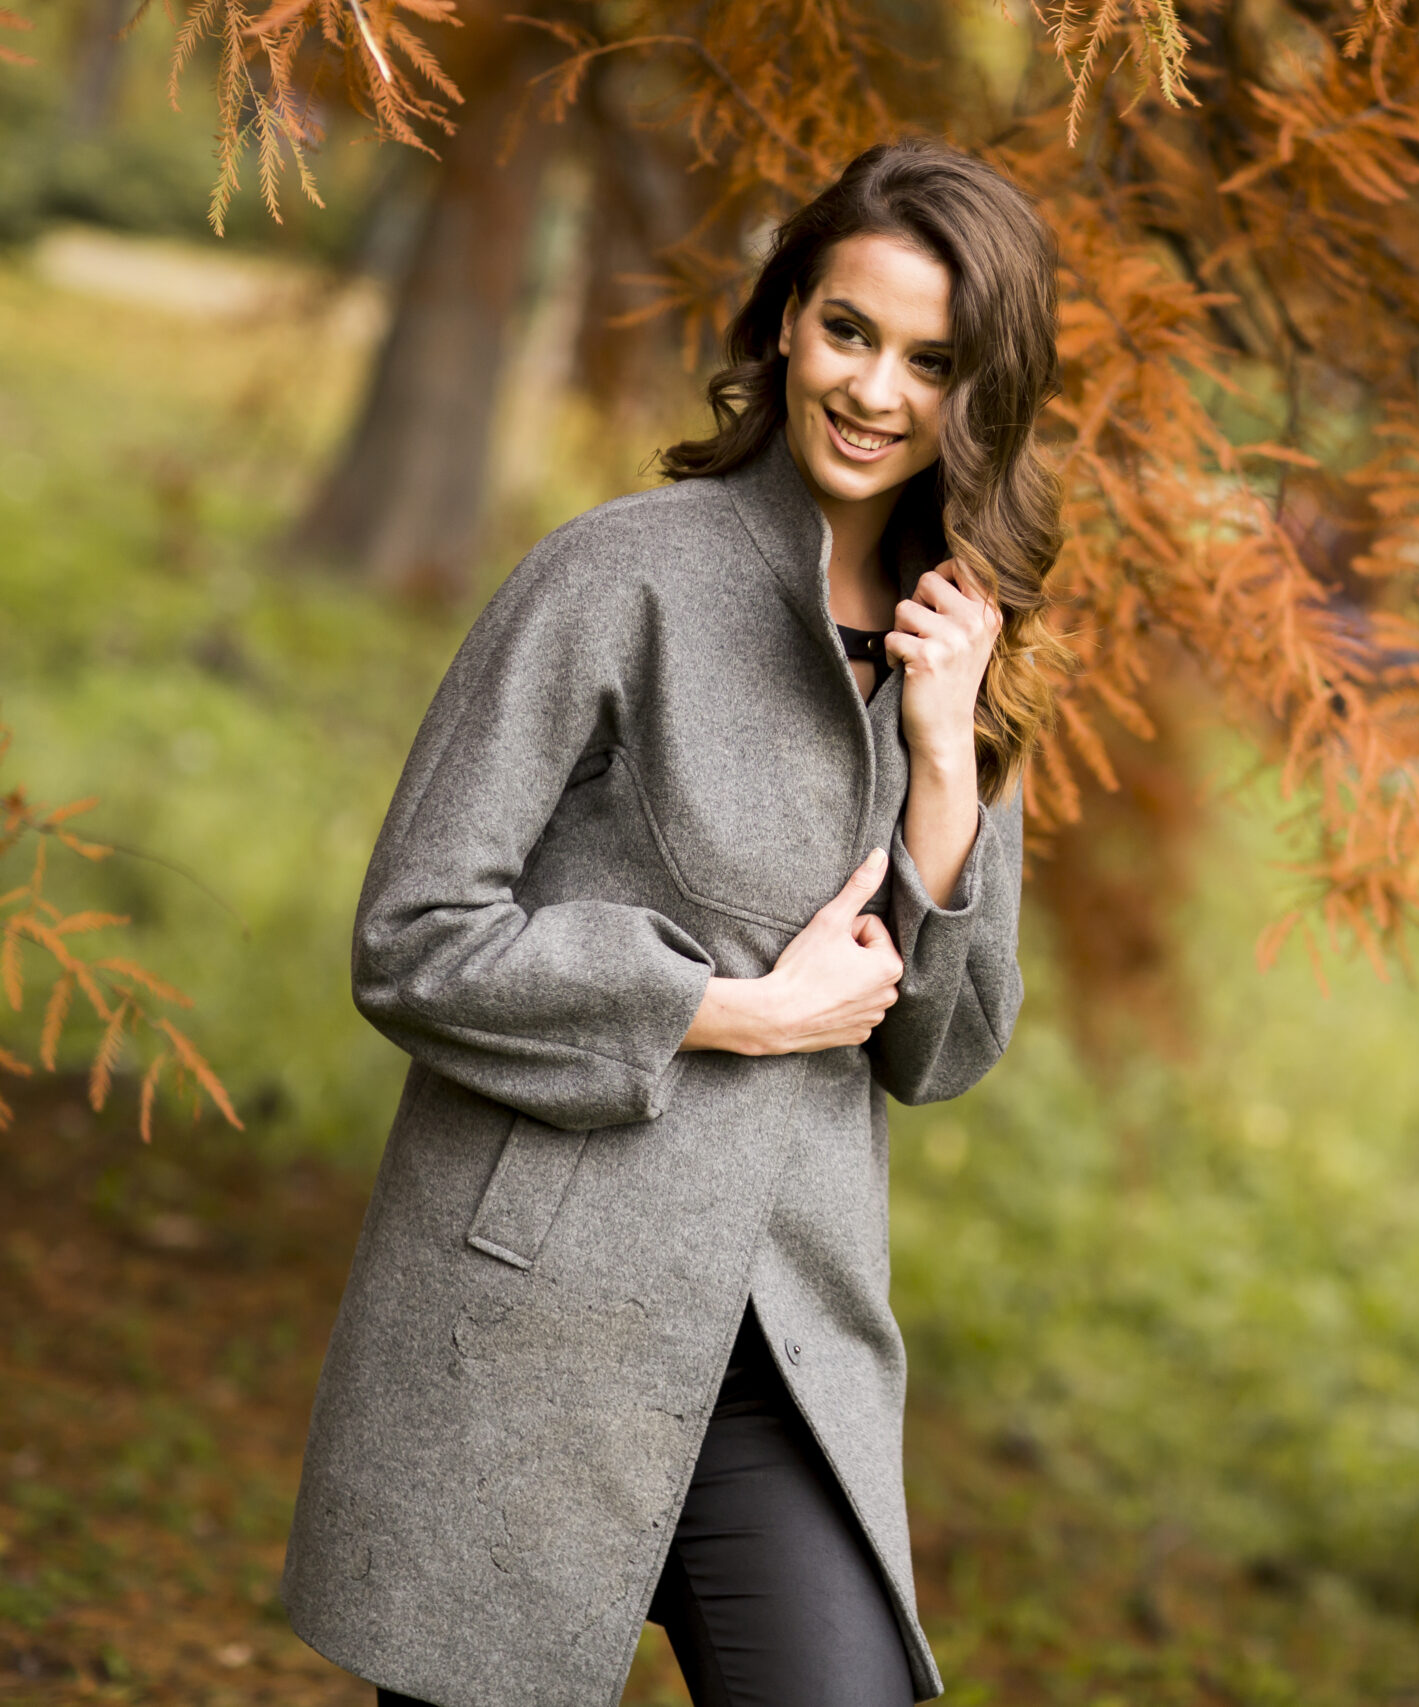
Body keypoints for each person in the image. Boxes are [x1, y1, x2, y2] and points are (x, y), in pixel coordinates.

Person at [281, 136, 1064, 1707]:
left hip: (786, 1343)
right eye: (850, 331)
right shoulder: (613, 578)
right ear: (786, 321)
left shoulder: (959, 651)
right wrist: (727, 1010)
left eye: (933, 361)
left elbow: (946, 1052)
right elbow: (415, 935)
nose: (876, 392)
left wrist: (939, 771)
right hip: (535, 1314)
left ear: (981, 393)